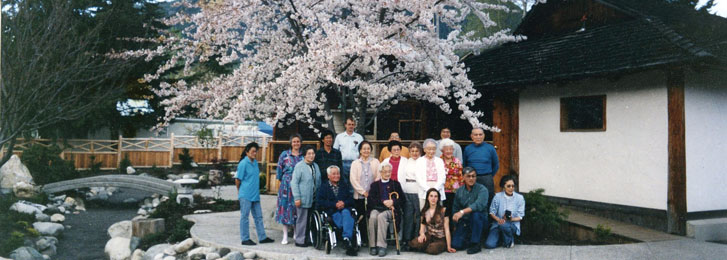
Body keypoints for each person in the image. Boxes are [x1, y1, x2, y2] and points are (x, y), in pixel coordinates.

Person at [236, 142, 274, 245]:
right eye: (252, 151)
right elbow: (238, 179)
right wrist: (239, 192)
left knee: (258, 217)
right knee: (245, 217)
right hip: (245, 195)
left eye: (256, 151)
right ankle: (245, 239)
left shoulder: (255, 163)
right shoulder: (243, 163)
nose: (254, 153)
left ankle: (262, 237)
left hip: (255, 195)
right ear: (247, 152)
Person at [317, 166, 358, 256]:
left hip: (345, 209)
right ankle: (347, 238)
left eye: (338, 173)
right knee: (346, 218)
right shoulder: (324, 187)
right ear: (328, 176)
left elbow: (351, 199)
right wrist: (334, 204)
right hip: (332, 212)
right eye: (334, 174)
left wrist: (343, 203)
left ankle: (346, 238)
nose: (336, 175)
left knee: (346, 213)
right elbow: (320, 202)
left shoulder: (344, 185)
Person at [367, 162, 404, 257]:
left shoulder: (396, 184)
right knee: (373, 217)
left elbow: (402, 199)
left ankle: (381, 246)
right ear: (380, 172)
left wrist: (393, 202)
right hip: (378, 207)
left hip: (391, 210)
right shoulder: (374, 185)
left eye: (389, 171)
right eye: (385, 171)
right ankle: (373, 246)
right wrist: (383, 202)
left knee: (381, 217)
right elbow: (371, 200)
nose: (387, 174)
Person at [451, 167, 489, 254]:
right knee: (456, 245)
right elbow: (455, 209)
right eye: (468, 176)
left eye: (473, 176)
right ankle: (470, 238)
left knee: (476, 214)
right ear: (463, 177)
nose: (471, 178)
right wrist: (455, 224)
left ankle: (476, 243)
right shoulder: (459, 191)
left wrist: (462, 212)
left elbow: (479, 205)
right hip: (465, 222)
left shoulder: (482, 189)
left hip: (480, 221)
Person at [350, 140, 379, 247]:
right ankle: (362, 239)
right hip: (359, 196)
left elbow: (378, 177)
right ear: (360, 151)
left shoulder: (375, 162)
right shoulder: (355, 163)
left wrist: (371, 192)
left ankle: (371, 239)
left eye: (368, 148)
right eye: (364, 149)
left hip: (372, 196)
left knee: (371, 216)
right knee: (361, 217)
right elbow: (353, 180)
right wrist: (363, 192)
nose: (366, 151)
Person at [409, 188, 456, 255]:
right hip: (430, 236)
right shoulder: (425, 211)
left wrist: (449, 246)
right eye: (431, 196)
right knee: (414, 243)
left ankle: (438, 246)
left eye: (435, 196)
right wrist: (422, 234)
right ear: (427, 198)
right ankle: (427, 245)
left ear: (438, 198)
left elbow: (447, 230)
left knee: (432, 249)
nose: (433, 198)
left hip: (440, 238)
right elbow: (422, 228)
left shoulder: (443, 210)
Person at [290, 146, 321, 247]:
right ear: (304, 155)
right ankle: (299, 240)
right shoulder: (299, 166)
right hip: (303, 198)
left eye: (313, 153)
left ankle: (308, 239)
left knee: (310, 220)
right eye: (309, 154)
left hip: (314, 198)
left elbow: (318, 181)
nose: (311, 156)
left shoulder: (315, 166)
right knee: (302, 220)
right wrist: (297, 198)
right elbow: (294, 183)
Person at [276, 134, 304, 244]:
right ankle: (285, 235)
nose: (296, 143)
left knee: (297, 209)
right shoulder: (284, 155)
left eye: (298, 141)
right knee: (285, 209)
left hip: (298, 186)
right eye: (294, 141)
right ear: (291, 143)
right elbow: (279, 169)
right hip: (286, 186)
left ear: (300, 143)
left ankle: (297, 233)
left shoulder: (302, 156)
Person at [485, 175, 525, 249]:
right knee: (489, 245)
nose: (511, 188)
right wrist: (499, 220)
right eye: (508, 186)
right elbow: (491, 212)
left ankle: (508, 241)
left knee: (504, 225)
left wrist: (510, 219)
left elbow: (520, 217)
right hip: (498, 223)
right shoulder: (497, 196)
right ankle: (502, 238)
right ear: (503, 187)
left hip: (512, 224)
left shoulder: (520, 198)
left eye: (513, 186)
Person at [463, 127, 499, 203]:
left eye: (480, 134)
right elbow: (465, 165)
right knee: (471, 201)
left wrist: (489, 176)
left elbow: (496, 165)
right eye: (476, 135)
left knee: (488, 201)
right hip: (471, 178)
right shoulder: (467, 149)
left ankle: (487, 215)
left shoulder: (490, 148)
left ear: (484, 136)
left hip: (486, 178)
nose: (478, 137)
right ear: (472, 136)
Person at [400, 141, 423, 251]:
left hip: (419, 190)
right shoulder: (406, 161)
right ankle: (407, 240)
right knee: (408, 216)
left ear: (420, 152)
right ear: (409, 152)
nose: (414, 153)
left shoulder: (422, 161)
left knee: (418, 216)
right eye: (412, 151)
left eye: (417, 151)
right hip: (407, 190)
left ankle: (417, 239)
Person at [415, 139, 446, 209]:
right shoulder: (419, 161)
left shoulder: (439, 161)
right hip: (424, 188)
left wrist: (435, 189)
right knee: (424, 212)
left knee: (438, 212)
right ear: (424, 149)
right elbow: (418, 178)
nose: (431, 151)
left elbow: (442, 177)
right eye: (429, 149)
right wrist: (428, 189)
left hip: (437, 188)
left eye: (433, 149)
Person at [333, 117, 364, 185]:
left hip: (355, 163)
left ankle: (353, 196)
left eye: (353, 124)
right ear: (345, 125)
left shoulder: (359, 137)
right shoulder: (339, 137)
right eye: (349, 124)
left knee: (354, 183)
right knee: (343, 183)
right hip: (342, 163)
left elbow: (362, 151)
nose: (351, 126)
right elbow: (335, 150)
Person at [440, 138, 463, 218]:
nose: (449, 151)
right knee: (443, 211)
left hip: (455, 191)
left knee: (454, 210)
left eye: (451, 149)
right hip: (442, 190)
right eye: (447, 149)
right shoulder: (439, 161)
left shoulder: (457, 161)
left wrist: (461, 190)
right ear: (442, 150)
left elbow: (461, 176)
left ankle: (453, 229)